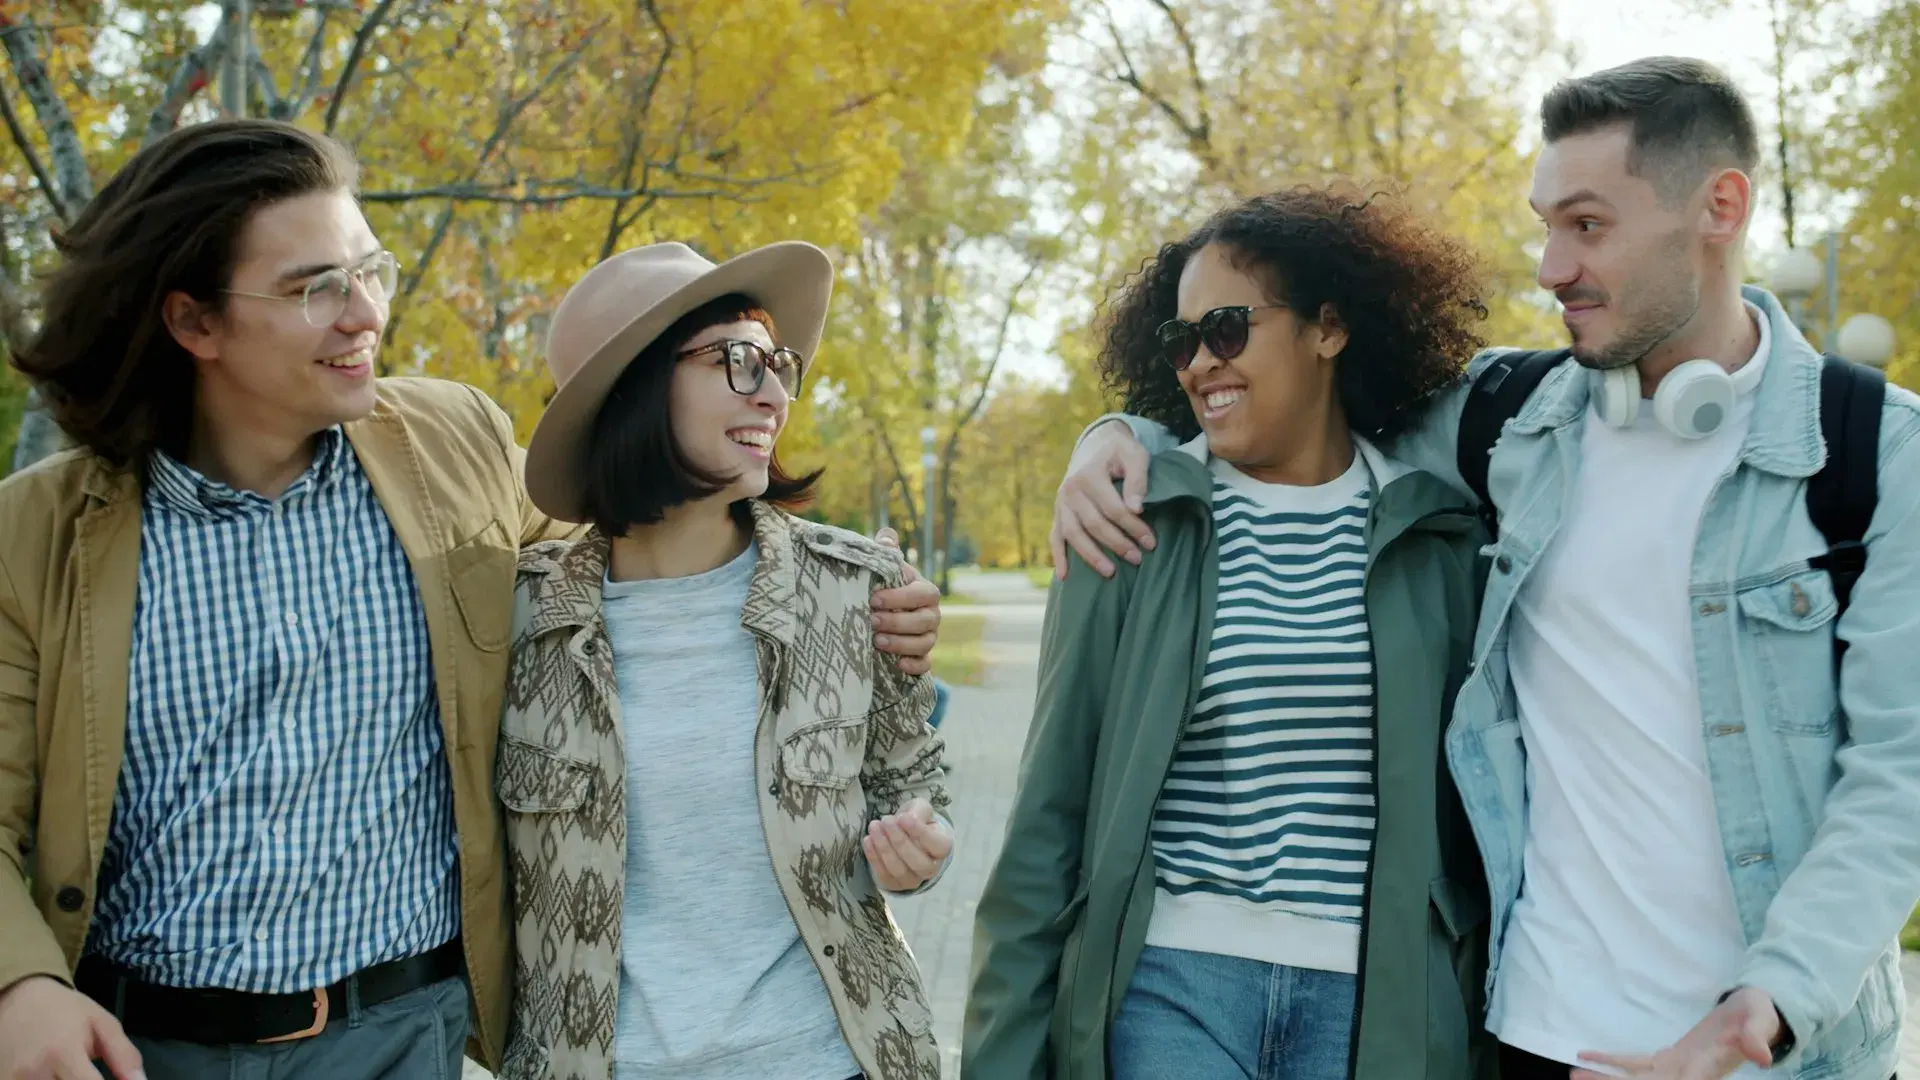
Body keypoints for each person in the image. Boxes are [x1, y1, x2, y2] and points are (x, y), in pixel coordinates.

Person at [0, 120, 943, 1080]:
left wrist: (868, 626)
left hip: (404, 1036)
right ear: (194, 322)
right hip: (139, 1047)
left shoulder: (456, 451)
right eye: (315, 288)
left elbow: (643, 583)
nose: (364, 314)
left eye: (371, 272)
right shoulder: (37, 537)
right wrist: (19, 985)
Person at [1051, 56, 1920, 1080]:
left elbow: (1897, 781)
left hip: (1780, 1051)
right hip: (1528, 1036)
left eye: (1588, 226)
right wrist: (1123, 433)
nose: (1551, 266)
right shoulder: (1506, 423)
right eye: (1545, 223)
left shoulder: (1875, 452)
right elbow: (1282, 401)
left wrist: (1769, 1008)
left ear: (1719, 208)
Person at [964, 188, 1496, 1080]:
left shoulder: (1439, 538)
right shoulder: (1131, 523)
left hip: (1377, 1000)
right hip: (1172, 987)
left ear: (1328, 329)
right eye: (1181, 342)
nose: (1199, 363)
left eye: (1226, 328)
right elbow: (1048, 814)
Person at [494, 240, 955, 1080]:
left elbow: (914, 781)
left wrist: (922, 843)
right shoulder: (516, 618)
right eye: (739, 360)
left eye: (778, 363)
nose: (776, 392)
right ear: (630, 387)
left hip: (827, 1059)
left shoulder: (856, 590)